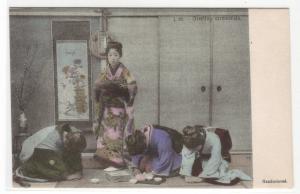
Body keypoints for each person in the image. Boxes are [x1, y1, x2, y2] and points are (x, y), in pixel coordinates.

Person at [93, 41, 137, 168]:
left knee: (116, 133)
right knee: (105, 133)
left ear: (120, 56)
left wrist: (121, 88)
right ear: (107, 56)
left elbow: (133, 86)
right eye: (110, 55)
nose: (113, 58)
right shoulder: (105, 71)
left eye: (116, 55)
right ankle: (104, 159)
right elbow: (97, 86)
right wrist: (102, 89)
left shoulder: (124, 71)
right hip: (106, 108)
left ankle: (117, 160)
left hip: (119, 107)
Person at [179, 125, 251, 185]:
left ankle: (235, 173)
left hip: (220, 154)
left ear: (201, 142)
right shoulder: (188, 138)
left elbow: (215, 159)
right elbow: (187, 157)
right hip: (203, 155)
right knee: (194, 173)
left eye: (195, 148)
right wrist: (187, 175)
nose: (193, 150)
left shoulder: (213, 138)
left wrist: (202, 177)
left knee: (218, 175)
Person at [16, 123, 86, 182]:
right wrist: (67, 176)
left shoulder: (72, 132)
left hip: (48, 150)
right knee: (58, 171)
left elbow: (75, 153)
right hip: (33, 153)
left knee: (70, 161)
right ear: (66, 143)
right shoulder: (49, 142)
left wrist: (78, 169)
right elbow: (59, 166)